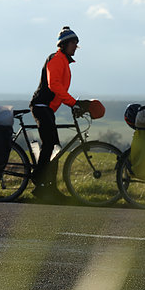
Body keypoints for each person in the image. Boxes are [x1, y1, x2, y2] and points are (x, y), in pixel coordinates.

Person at [30, 26, 89, 202]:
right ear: (63, 44)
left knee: (54, 147)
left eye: (77, 44)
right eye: (73, 43)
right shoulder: (56, 59)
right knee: (50, 145)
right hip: (41, 105)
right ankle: (40, 182)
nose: (75, 47)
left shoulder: (63, 60)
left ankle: (50, 187)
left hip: (47, 108)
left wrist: (73, 104)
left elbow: (60, 90)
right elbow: (54, 85)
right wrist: (72, 102)